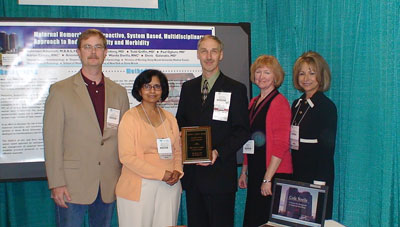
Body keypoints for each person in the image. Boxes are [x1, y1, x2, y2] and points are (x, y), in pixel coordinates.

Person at [43, 29, 130, 227]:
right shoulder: (60, 91)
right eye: (87, 47)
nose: (93, 52)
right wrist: (56, 183)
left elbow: (124, 138)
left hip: (108, 182)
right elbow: (52, 140)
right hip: (71, 184)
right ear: (78, 52)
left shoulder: (119, 92)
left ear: (105, 52)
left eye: (98, 47)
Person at [176, 35, 250, 227]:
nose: (208, 56)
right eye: (204, 51)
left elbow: (242, 131)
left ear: (221, 55)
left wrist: (218, 152)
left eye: (214, 51)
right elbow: (180, 123)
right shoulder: (188, 88)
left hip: (220, 176)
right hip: (194, 178)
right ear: (198, 55)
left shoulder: (236, 89)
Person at [115, 69, 183, 227]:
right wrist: (161, 174)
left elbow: (178, 151)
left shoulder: (169, 118)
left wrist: (177, 171)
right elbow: (126, 157)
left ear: (163, 90)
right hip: (138, 188)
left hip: (169, 187)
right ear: (139, 89)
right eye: (147, 86)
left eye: (157, 86)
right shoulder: (130, 118)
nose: (152, 91)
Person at [238, 55, 293, 227]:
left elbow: (282, 144)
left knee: (266, 221)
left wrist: (267, 179)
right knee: (254, 219)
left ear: (276, 77)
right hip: (256, 171)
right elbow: (250, 140)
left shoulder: (279, 103)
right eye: (258, 72)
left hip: (273, 174)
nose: (261, 76)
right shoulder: (253, 102)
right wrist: (244, 171)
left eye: (267, 72)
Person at [290, 51, 337, 219]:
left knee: (315, 219)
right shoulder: (297, 104)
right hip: (298, 173)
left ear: (321, 75)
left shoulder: (326, 107)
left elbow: (327, 149)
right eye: (302, 73)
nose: (306, 78)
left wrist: (319, 182)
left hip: (316, 175)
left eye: (312, 73)